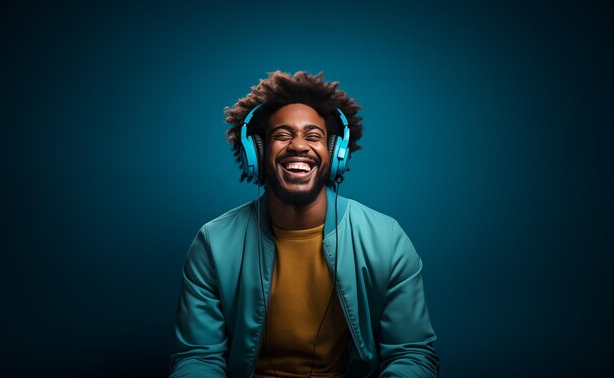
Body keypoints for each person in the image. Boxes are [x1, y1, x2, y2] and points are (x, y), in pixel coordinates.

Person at [169, 71, 439, 378]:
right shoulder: (213, 244)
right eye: (282, 135)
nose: (298, 146)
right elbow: (197, 358)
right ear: (255, 154)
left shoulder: (386, 239)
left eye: (313, 136)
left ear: (336, 153)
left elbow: (412, 354)